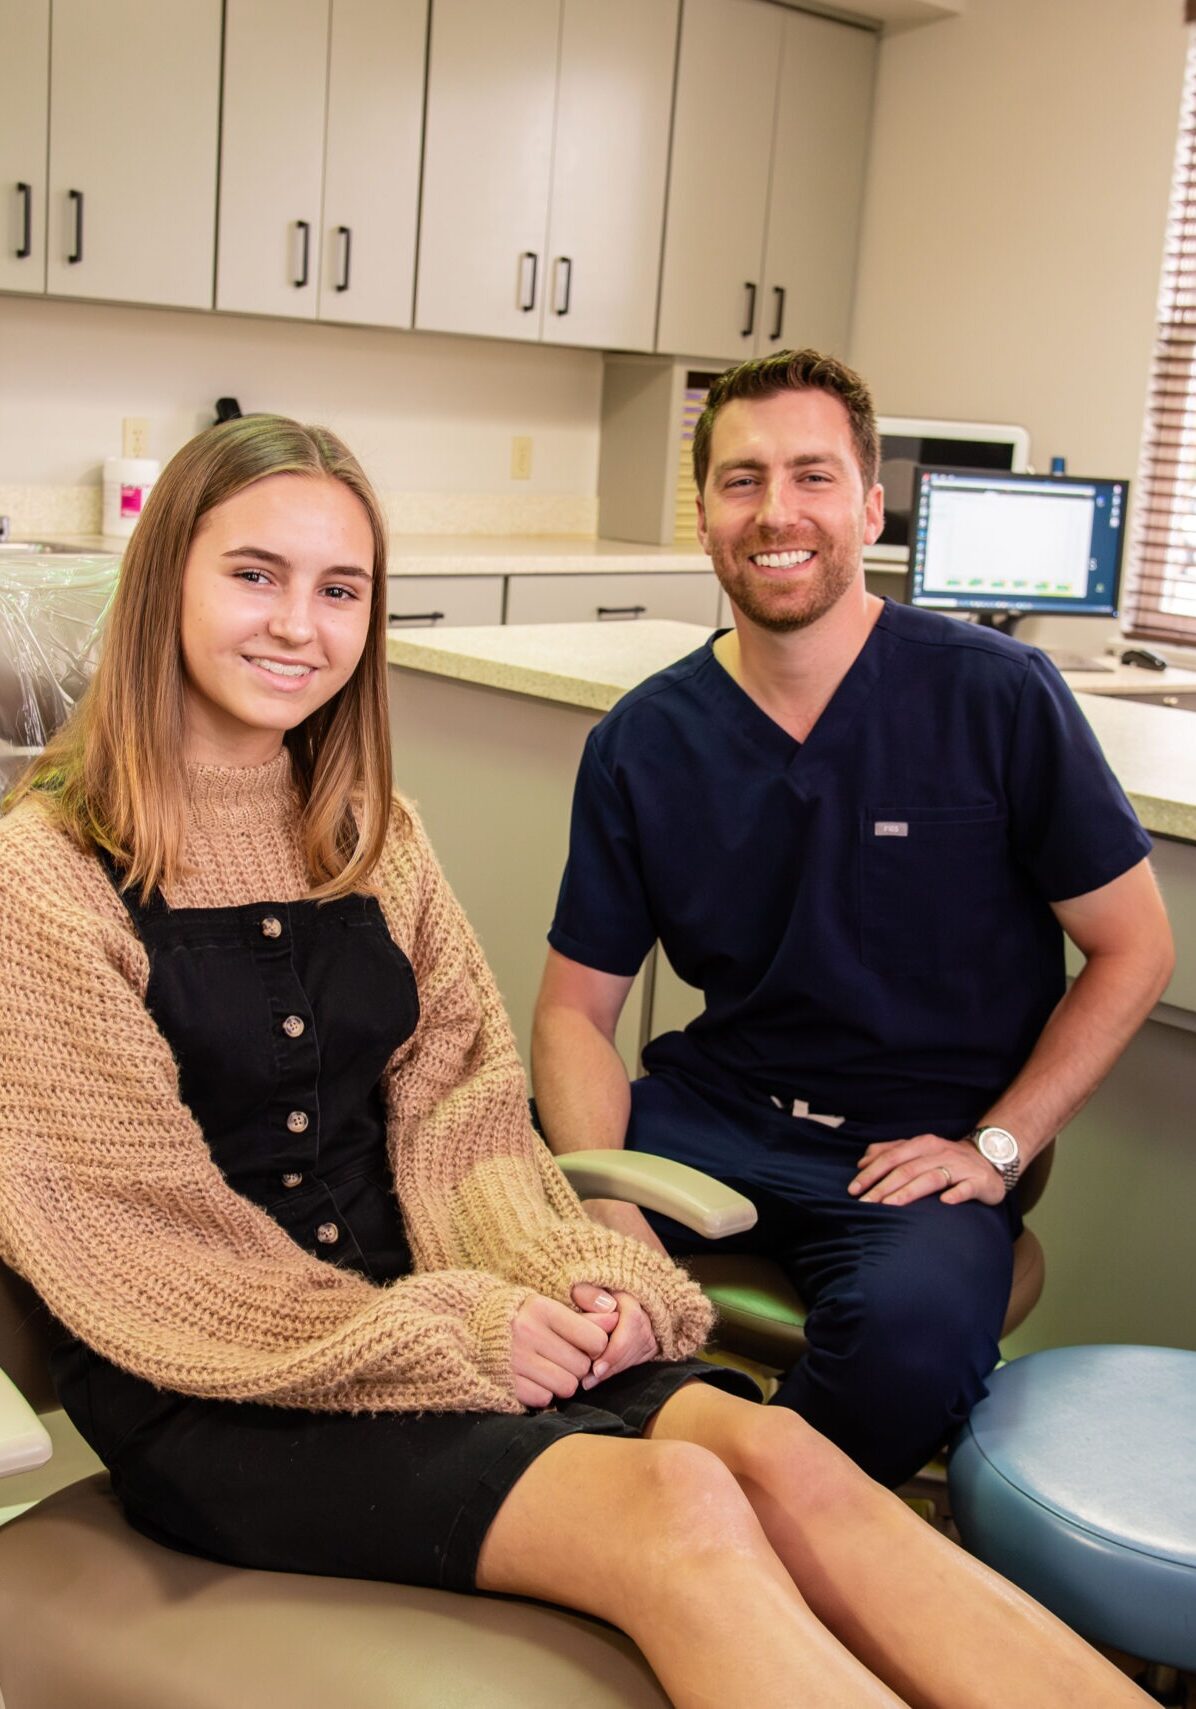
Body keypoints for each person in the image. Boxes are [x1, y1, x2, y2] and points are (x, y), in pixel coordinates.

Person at [0, 415, 1152, 1709]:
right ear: (168, 578)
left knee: (792, 1462)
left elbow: (464, 1120)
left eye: (342, 590)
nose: (298, 625)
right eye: (254, 574)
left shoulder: (371, 836)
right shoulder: (44, 880)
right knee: (678, 1513)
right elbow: (149, 1254)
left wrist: (574, 1272)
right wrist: (469, 1327)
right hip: (223, 1386)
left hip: (442, 1315)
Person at [533, 349, 1175, 1490]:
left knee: (906, 1348)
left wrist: (997, 1144)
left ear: (870, 505)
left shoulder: (994, 697)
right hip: (715, 1108)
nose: (775, 511)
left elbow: (1133, 945)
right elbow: (577, 1013)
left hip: (910, 1147)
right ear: (703, 513)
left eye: (811, 476)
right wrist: (608, 1204)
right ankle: (657, 1497)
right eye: (740, 480)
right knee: (491, 1229)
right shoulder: (642, 739)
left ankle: (730, 1537)